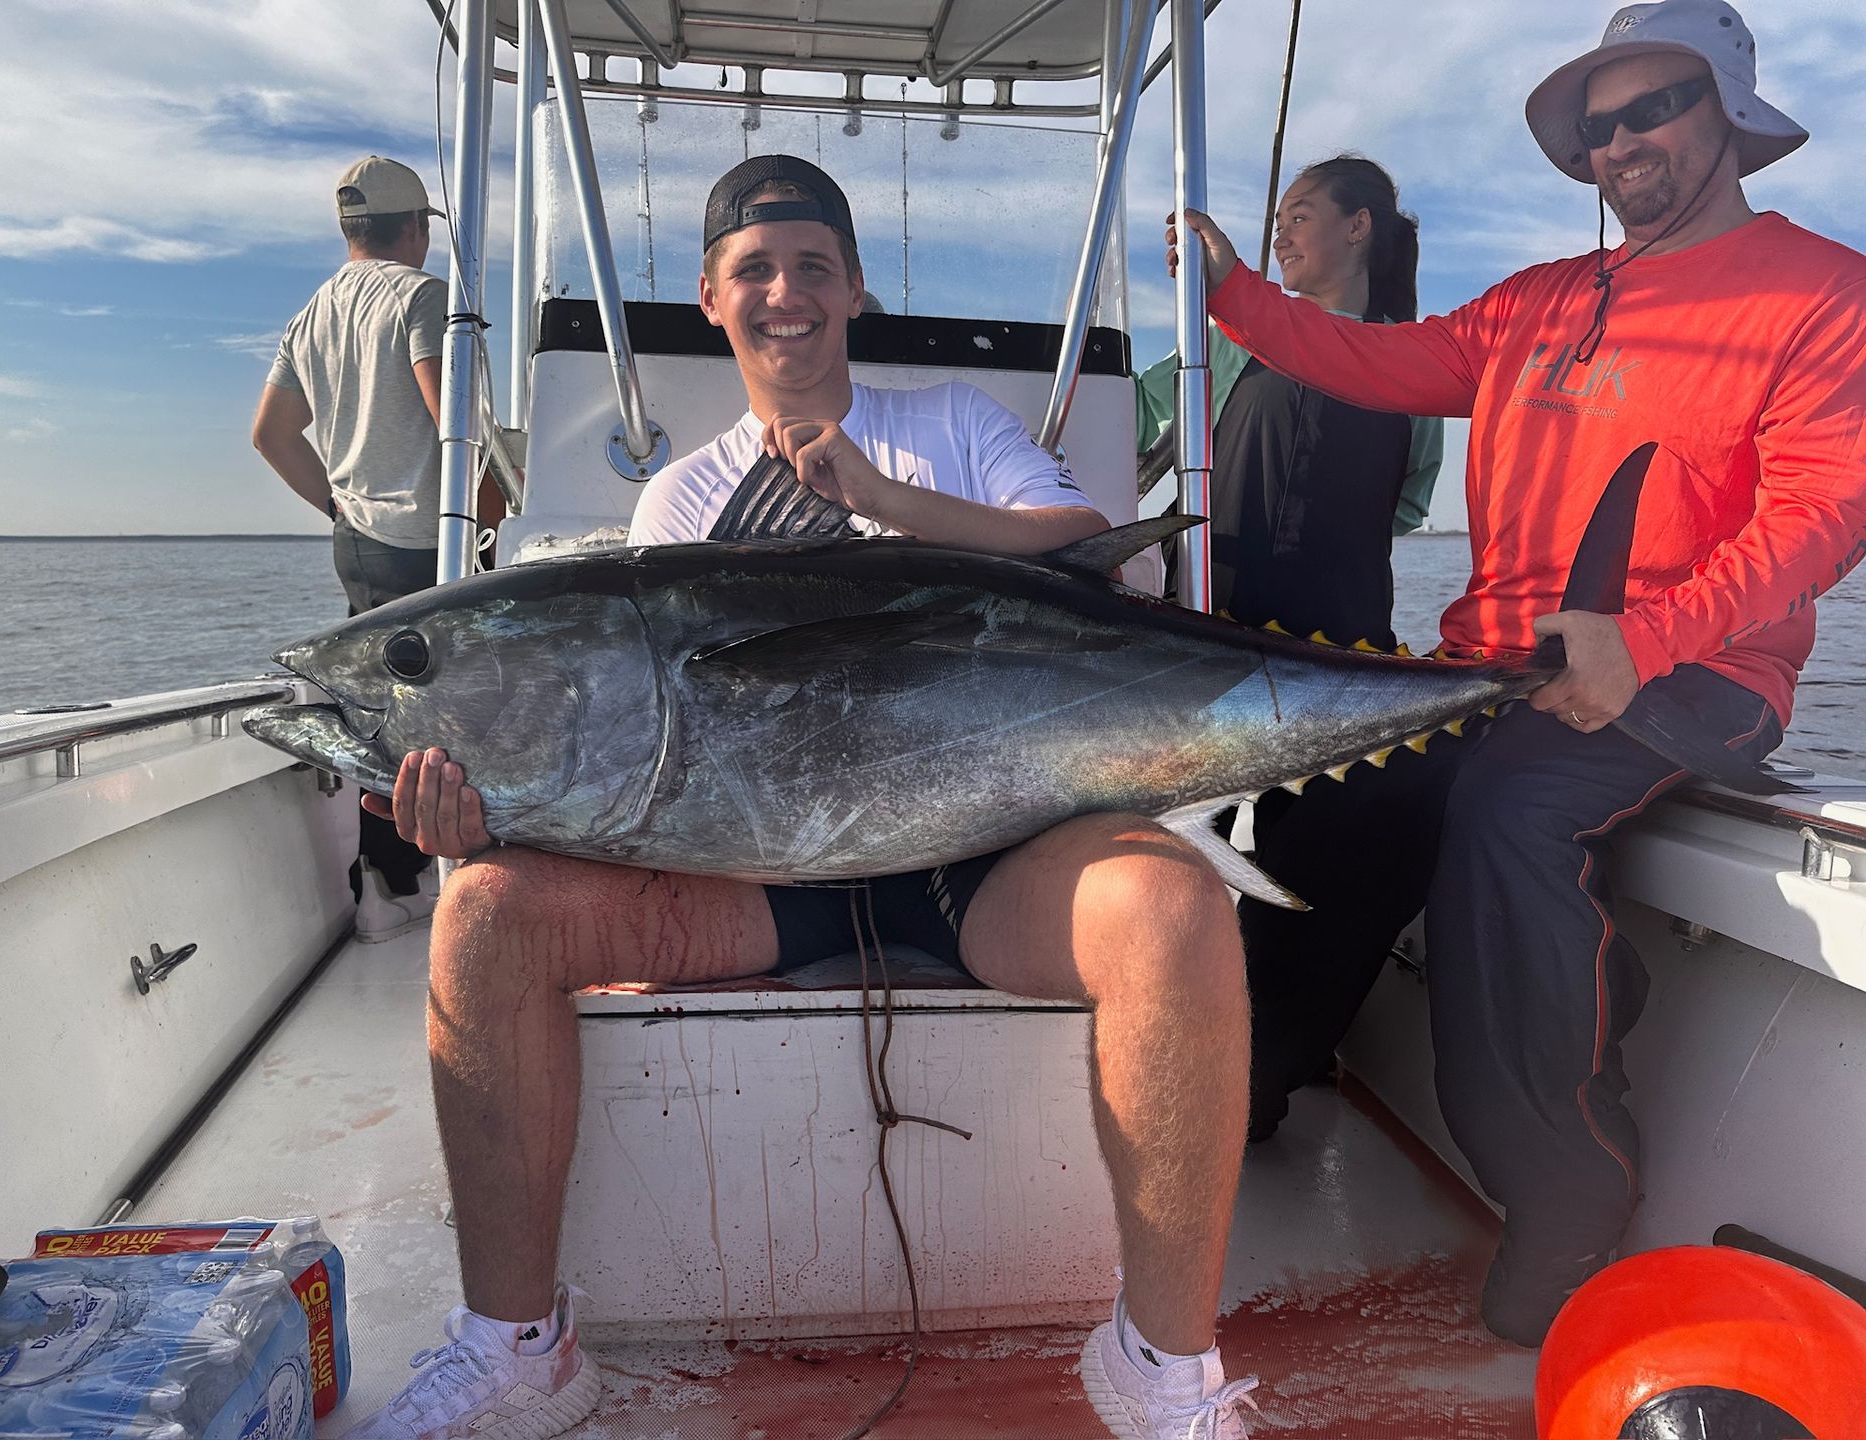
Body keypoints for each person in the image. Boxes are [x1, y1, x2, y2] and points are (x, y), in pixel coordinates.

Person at [342, 155, 1265, 1440]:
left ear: (855, 290)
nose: (787, 293)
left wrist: (883, 502)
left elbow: (1091, 554)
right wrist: (493, 807)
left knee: (1173, 910)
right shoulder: (682, 500)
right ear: (712, 300)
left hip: (994, 853)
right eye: (756, 270)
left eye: (814, 267)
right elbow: (640, 741)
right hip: (768, 877)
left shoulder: (957, 422)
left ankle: (1163, 1370)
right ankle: (517, 1349)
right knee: (486, 911)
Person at [1170, 0, 1866, 1347]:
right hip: (1493, 663)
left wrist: (1643, 640)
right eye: (1599, 127)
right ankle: (1256, 1076)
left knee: (1507, 808)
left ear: (1729, 112)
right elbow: (1381, 361)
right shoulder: (1541, 299)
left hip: (1696, 673)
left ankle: (1565, 1186)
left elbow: (1823, 514)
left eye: (1654, 108)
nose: (1621, 143)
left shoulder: (1823, 291)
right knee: (1341, 788)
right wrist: (1233, 293)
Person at [252, 156, 448, 942]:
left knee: (379, 713)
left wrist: (337, 504)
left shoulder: (310, 315)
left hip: (358, 542)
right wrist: (501, 511)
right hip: (429, 545)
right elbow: (451, 418)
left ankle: (382, 885)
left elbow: (271, 434)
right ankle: (411, 878)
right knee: (444, 716)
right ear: (415, 227)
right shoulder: (420, 296)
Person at [1138, 154, 1441, 647]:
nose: (1281, 240)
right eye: (1279, 226)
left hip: (1346, 655)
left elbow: (1406, 504)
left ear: (1357, 226)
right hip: (1211, 633)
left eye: (1299, 218)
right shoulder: (1230, 338)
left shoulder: (1417, 362)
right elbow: (1134, 414)